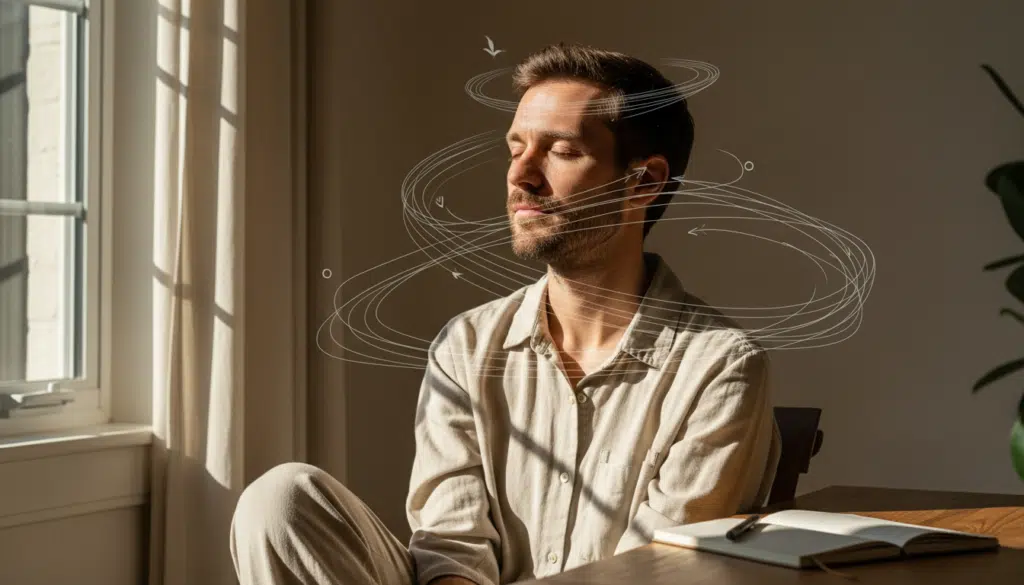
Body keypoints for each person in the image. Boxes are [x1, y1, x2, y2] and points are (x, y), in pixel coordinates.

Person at [230, 42, 780, 585]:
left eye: (560, 152)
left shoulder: (721, 368)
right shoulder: (466, 345)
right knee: (281, 499)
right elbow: (451, 547)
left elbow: (650, 572)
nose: (521, 176)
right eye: (516, 148)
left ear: (645, 181)